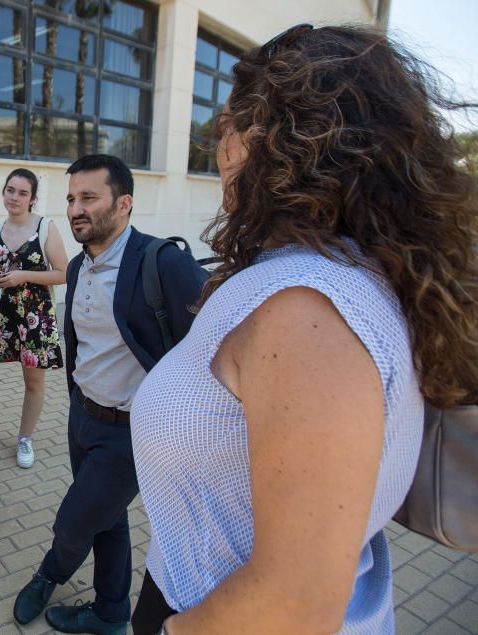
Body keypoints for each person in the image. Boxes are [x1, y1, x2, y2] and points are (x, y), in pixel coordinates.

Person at [129, 25, 478, 635]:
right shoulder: (347, 274)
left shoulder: (307, 309)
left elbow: (294, 603)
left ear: (267, 141)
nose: (220, 154)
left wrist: (173, 631)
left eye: (225, 130)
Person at [13, 154, 207, 634]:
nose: (76, 209)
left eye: (89, 198)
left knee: (75, 523)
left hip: (133, 433)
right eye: (71, 199)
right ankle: (111, 612)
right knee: (108, 518)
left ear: (124, 204)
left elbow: (211, 352)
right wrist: (77, 398)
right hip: (84, 418)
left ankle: (49, 575)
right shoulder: (80, 266)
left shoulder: (164, 263)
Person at [0, 169, 67, 468]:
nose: (14, 197)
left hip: (35, 315)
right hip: (0, 313)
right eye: (10, 190)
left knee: (33, 381)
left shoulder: (45, 227)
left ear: (33, 198)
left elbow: (64, 273)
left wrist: (23, 276)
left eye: (22, 193)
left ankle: (25, 439)